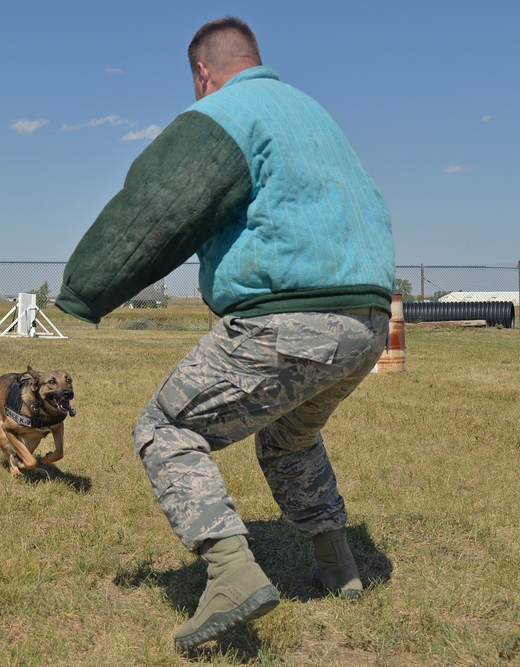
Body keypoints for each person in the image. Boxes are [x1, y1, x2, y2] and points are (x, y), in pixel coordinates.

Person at [55, 17, 395, 653]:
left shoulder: (229, 112)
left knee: (168, 427)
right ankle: (338, 566)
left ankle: (230, 573)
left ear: (202, 74)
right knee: (291, 439)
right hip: (367, 321)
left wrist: (85, 288)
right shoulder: (310, 114)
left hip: (288, 319)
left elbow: (158, 206)